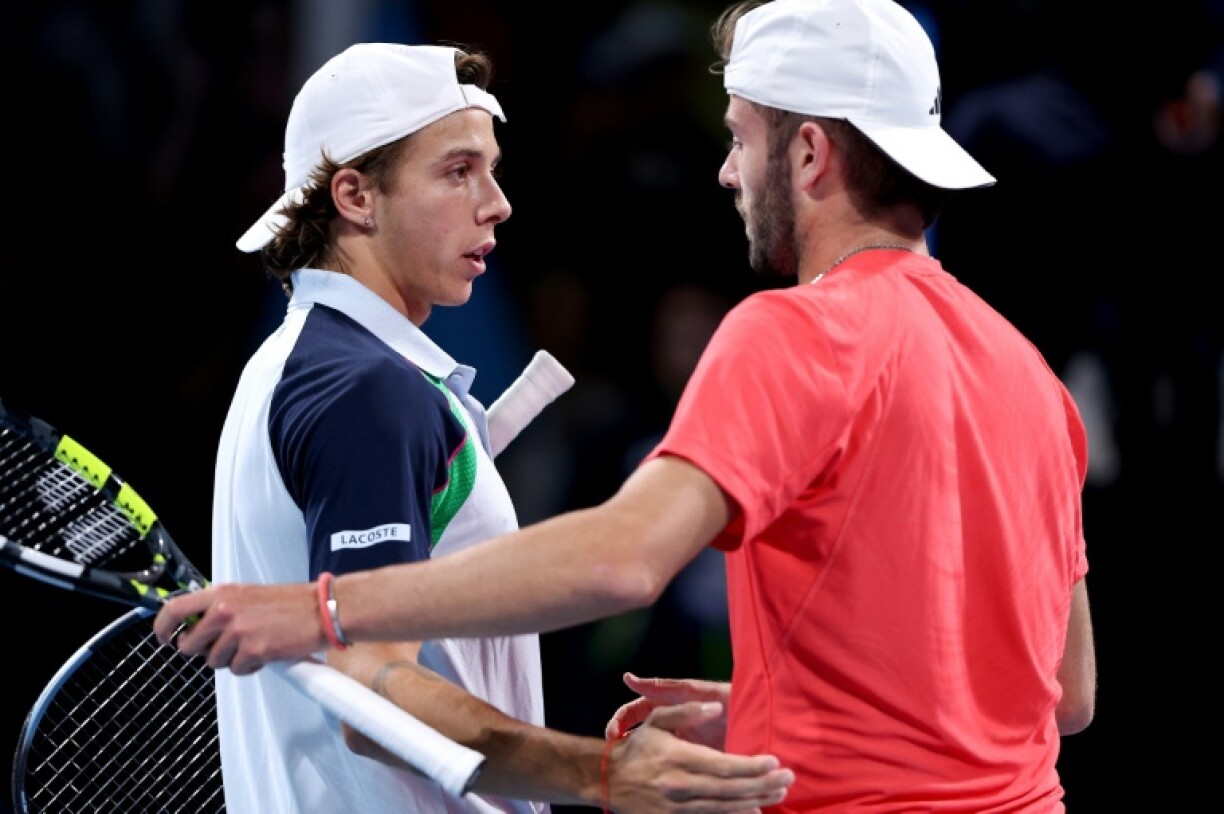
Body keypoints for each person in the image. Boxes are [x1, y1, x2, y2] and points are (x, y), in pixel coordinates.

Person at [158, 3, 1097, 811]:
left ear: (809, 153)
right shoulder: (1034, 382)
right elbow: (1060, 692)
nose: (728, 171)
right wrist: (781, 705)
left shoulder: (793, 334)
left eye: (740, 138)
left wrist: (319, 611)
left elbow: (623, 557)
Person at [196, 40, 794, 814]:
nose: (497, 202)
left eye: (492, 167)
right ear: (355, 196)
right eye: (457, 171)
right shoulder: (364, 391)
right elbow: (369, 697)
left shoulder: (294, 366)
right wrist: (603, 774)